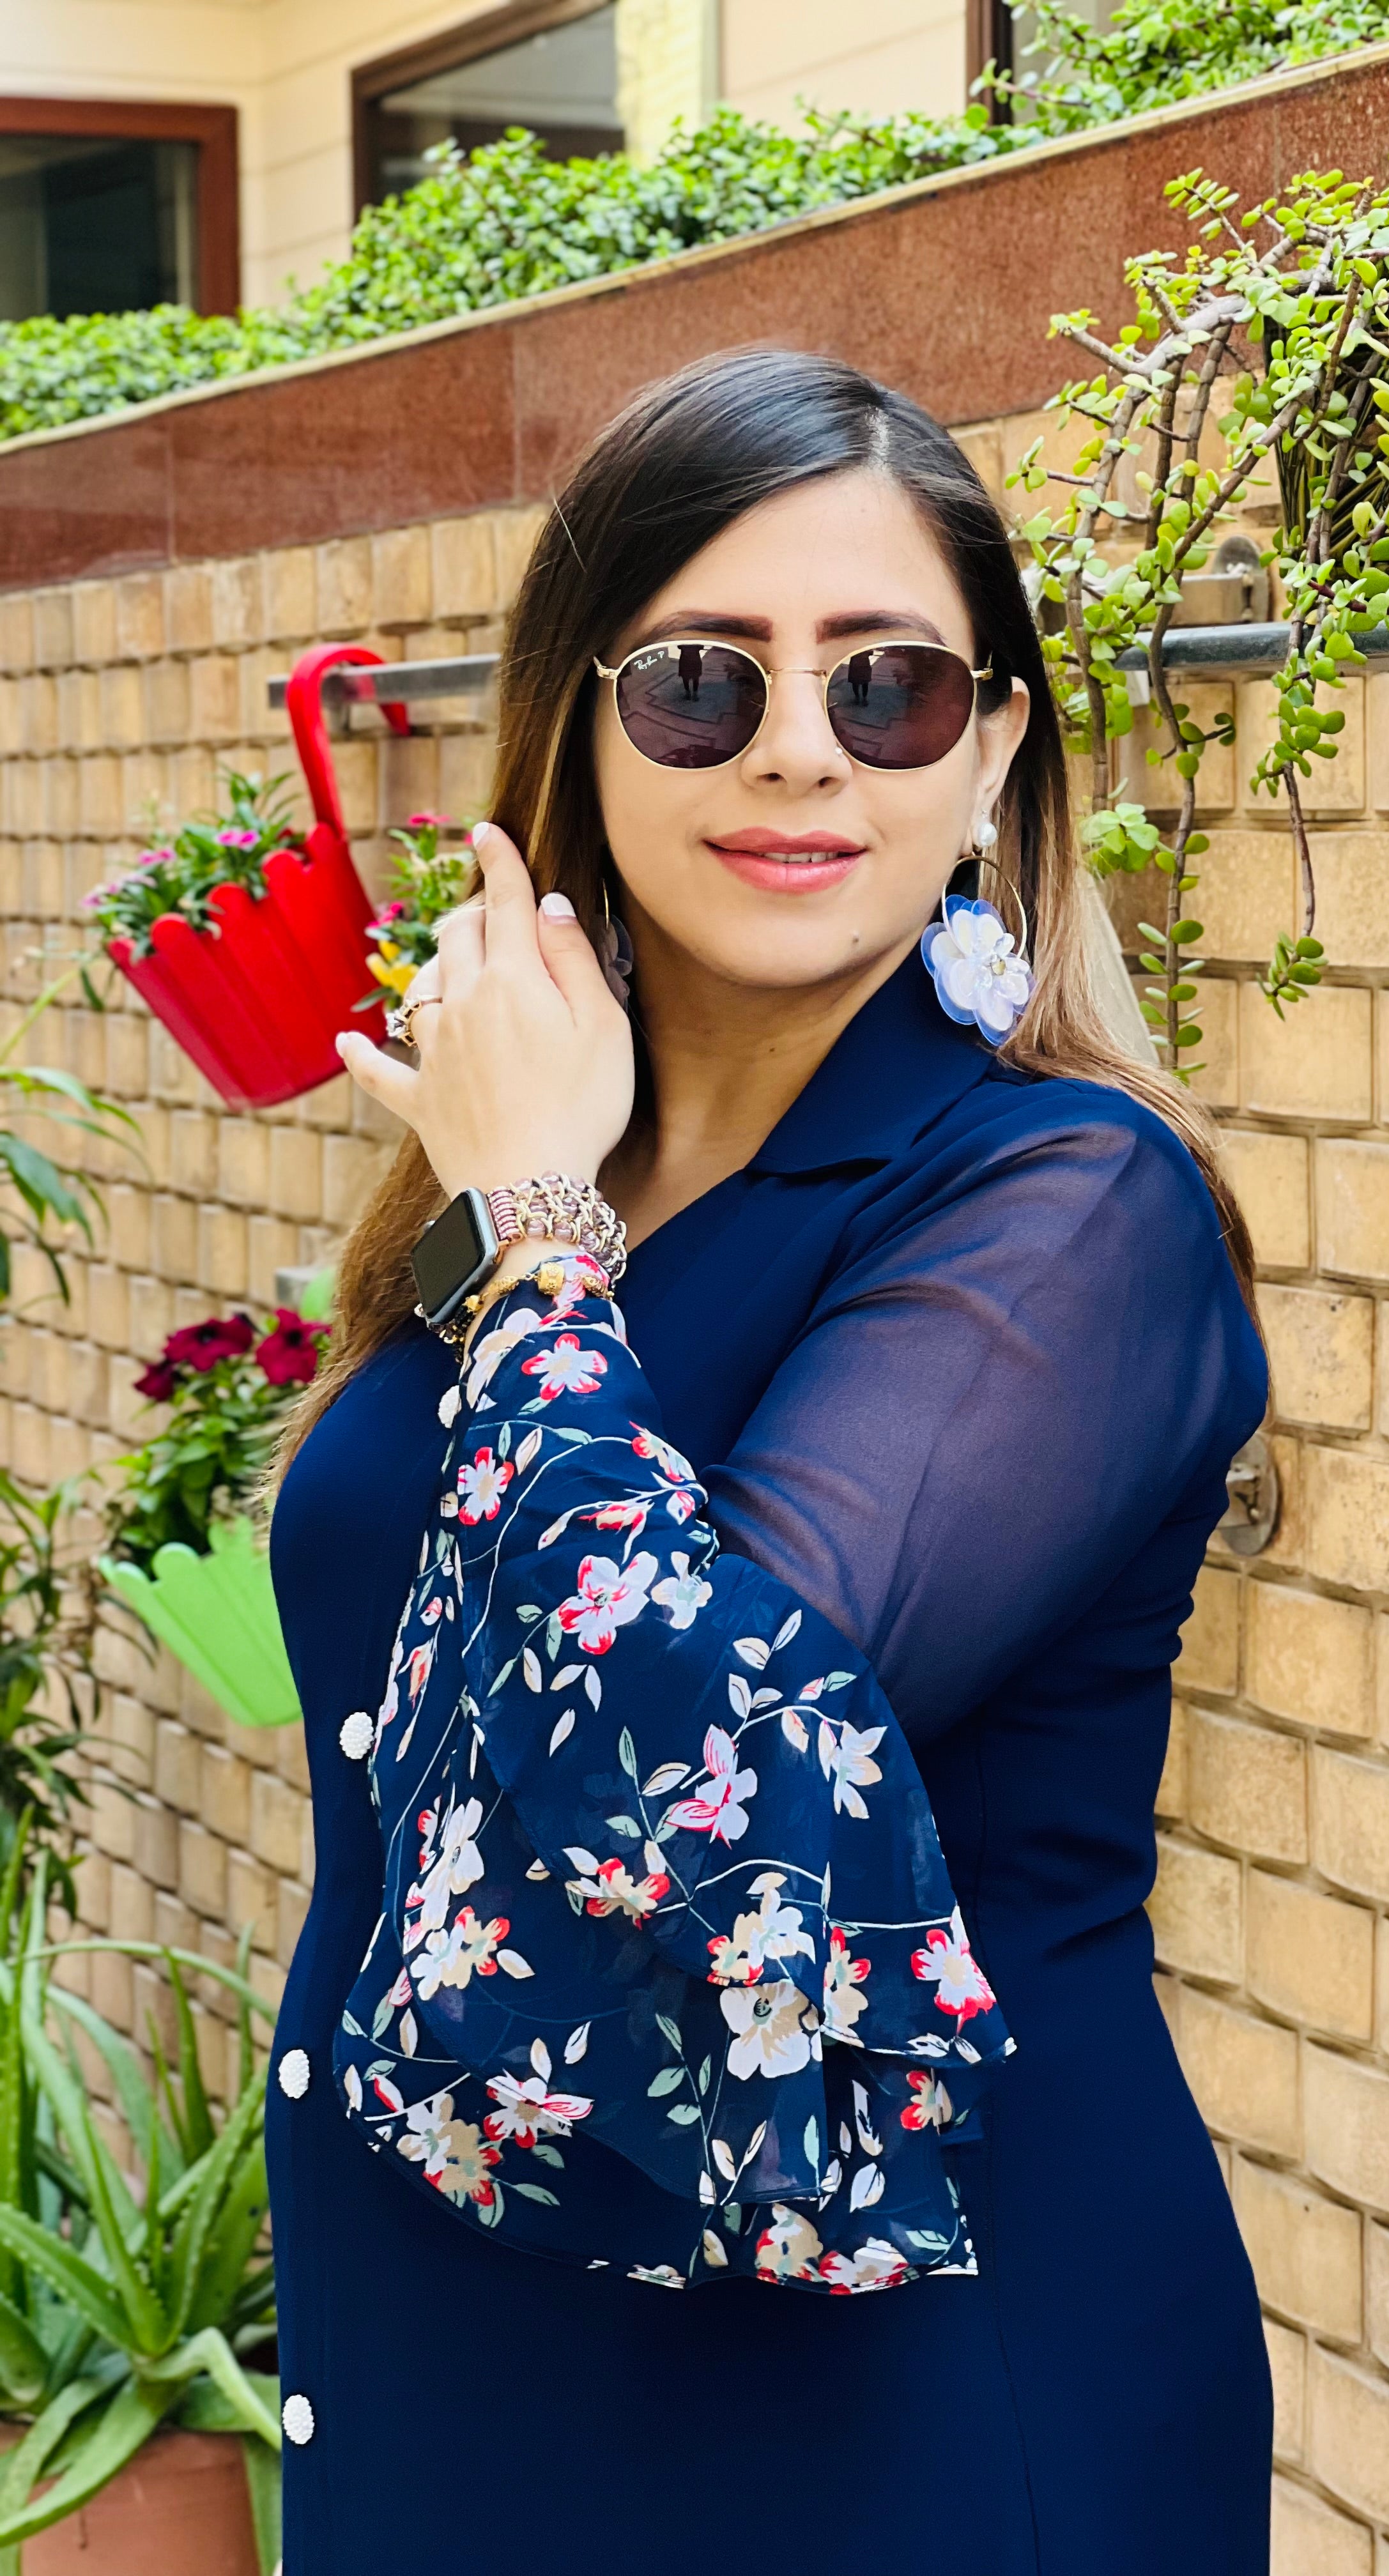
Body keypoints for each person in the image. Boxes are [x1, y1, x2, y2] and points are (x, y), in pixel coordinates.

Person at [265, 346, 1271, 2572]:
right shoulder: (567, 1187)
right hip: (468, 2365)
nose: (803, 749)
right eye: (706, 683)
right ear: (585, 722)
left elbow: (700, 1740)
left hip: (874, 2416)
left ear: (995, 743)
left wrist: (525, 1222)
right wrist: (534, 1199)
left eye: (892, 685)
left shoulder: (1062, 1206)